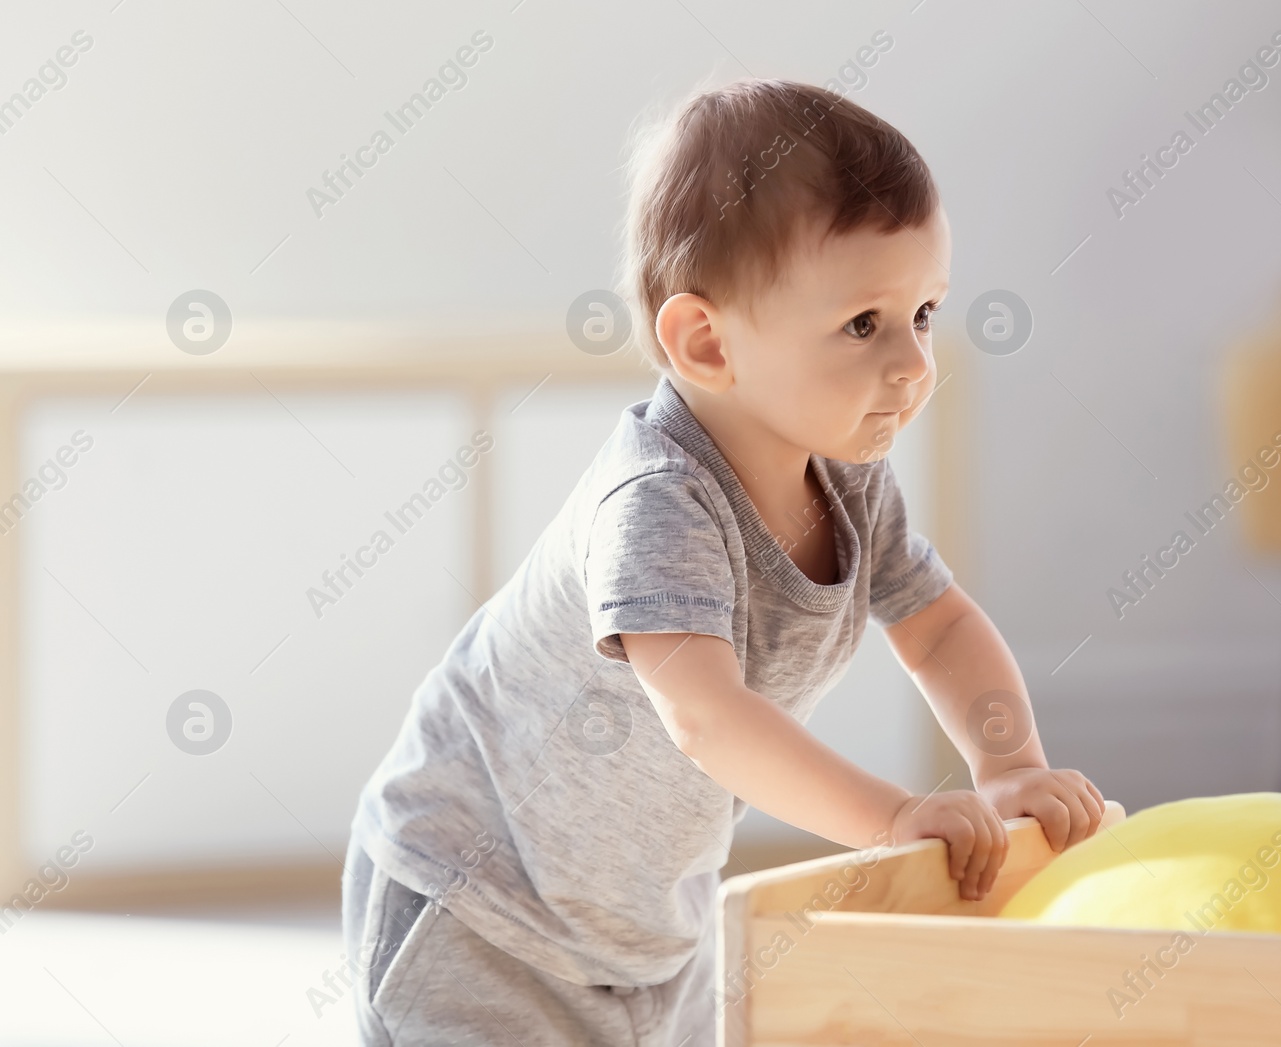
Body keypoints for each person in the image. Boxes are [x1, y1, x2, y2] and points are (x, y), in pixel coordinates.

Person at [341, 76, 1106, 1046]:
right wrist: (892, 817)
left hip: (649, 923)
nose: (914, 364)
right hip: (477, 906)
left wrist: (1008, 764)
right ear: (706, 342)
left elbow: (939, 623)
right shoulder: (657, 503)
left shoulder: (850, 479)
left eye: (925, 313)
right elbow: (705, 715)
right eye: (863, 325)